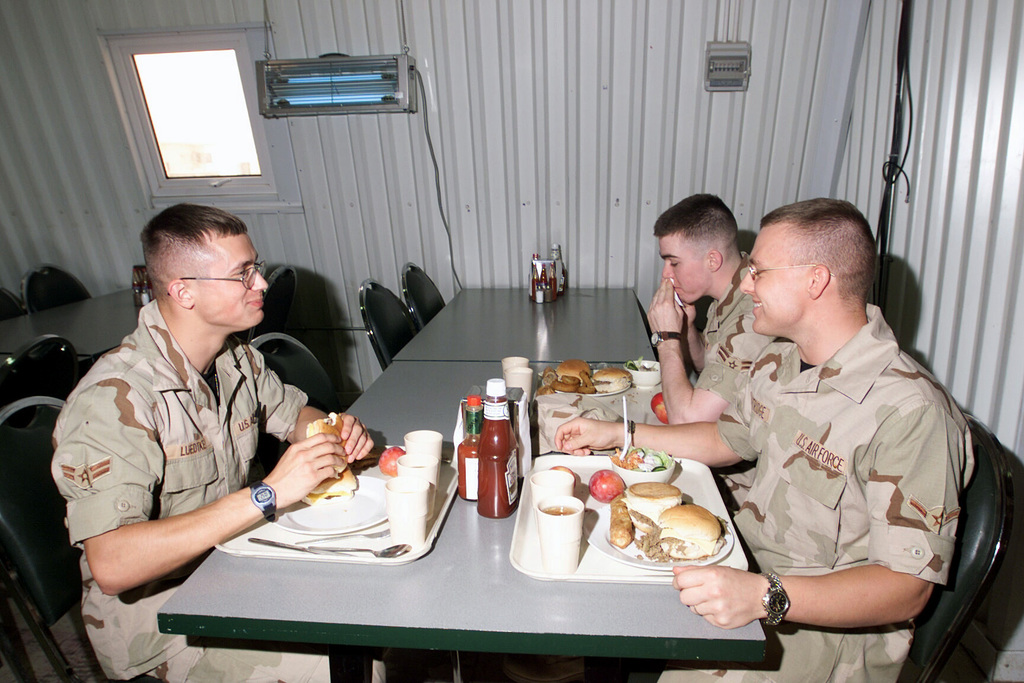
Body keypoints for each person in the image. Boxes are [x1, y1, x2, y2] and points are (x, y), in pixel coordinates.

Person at [557, 198, 973, 682]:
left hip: (819, 629)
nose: (746, 284)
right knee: (597, 577)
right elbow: (725, 440)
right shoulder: (783, 360)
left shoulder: (911, 413)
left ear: (815, 280)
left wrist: (761, 595)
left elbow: (907, 588)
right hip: (741, 561)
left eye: (759, 271)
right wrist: (620, 434)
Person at [51, 204, 373, 682]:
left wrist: (330, 431)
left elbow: (292, 415)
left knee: (364, 610)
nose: (261, 284)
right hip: (162, 623)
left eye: (255, 268)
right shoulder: (112, 399)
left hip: (230, 566)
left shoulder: (234, 358)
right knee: (330, 666)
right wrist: (267, 494)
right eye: (242, 275)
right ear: (183, 292)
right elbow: (112, 563)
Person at [647, 194, 770, 425]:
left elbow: (687, 421)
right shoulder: (727, 294)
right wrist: (686, 327)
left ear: (712, 260)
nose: (666, 274)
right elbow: (709, 364)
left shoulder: (752, 313)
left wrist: (666, 337)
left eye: (674, 262)